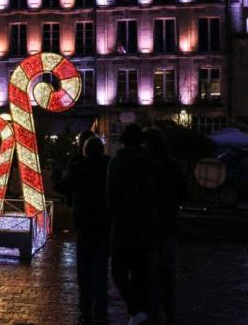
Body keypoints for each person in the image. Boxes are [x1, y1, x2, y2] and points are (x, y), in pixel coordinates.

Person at [107, 124, 163, 325]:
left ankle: (136, 310)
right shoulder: (153, 164)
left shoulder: (117, 163)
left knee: (118, 271)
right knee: (141, 274)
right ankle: (142, 314)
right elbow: (160, 194)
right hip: (147, 227)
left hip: (123, 227)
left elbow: (112, 198)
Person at [54, 137, 110, 325]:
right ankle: (101, 310)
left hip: (84, 221)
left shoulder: (79, 167)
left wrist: (56, 174)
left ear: (85, 150)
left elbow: (61, 187)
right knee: (101, 269)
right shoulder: (109, 165)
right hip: (104, 221)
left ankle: (85, 308)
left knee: (85, 269)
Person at [143, 127, 189, 325]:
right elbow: (184, 194)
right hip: (167, 226)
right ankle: (169, 313)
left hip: (146, 227)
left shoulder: (143, 167)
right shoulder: (172, 166)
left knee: (146, 274)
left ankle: (151, 313)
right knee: (167, 275)